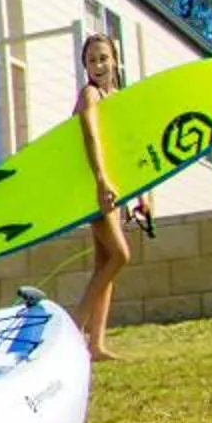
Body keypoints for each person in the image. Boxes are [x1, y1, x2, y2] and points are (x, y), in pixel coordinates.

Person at [72, 32, 132, 363]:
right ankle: (74, 327)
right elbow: (90, 135)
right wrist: (100, 179)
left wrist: (143, 195)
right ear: (85, 65)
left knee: (103, 264)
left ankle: (96, 345)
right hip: (94, 186)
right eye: (92, 60)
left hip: (113, 187)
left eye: (103, 58)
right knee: (120, 255)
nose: (98, 65)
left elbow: (128, 147)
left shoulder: (117, 97)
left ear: (114, 60)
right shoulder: (90, 95)